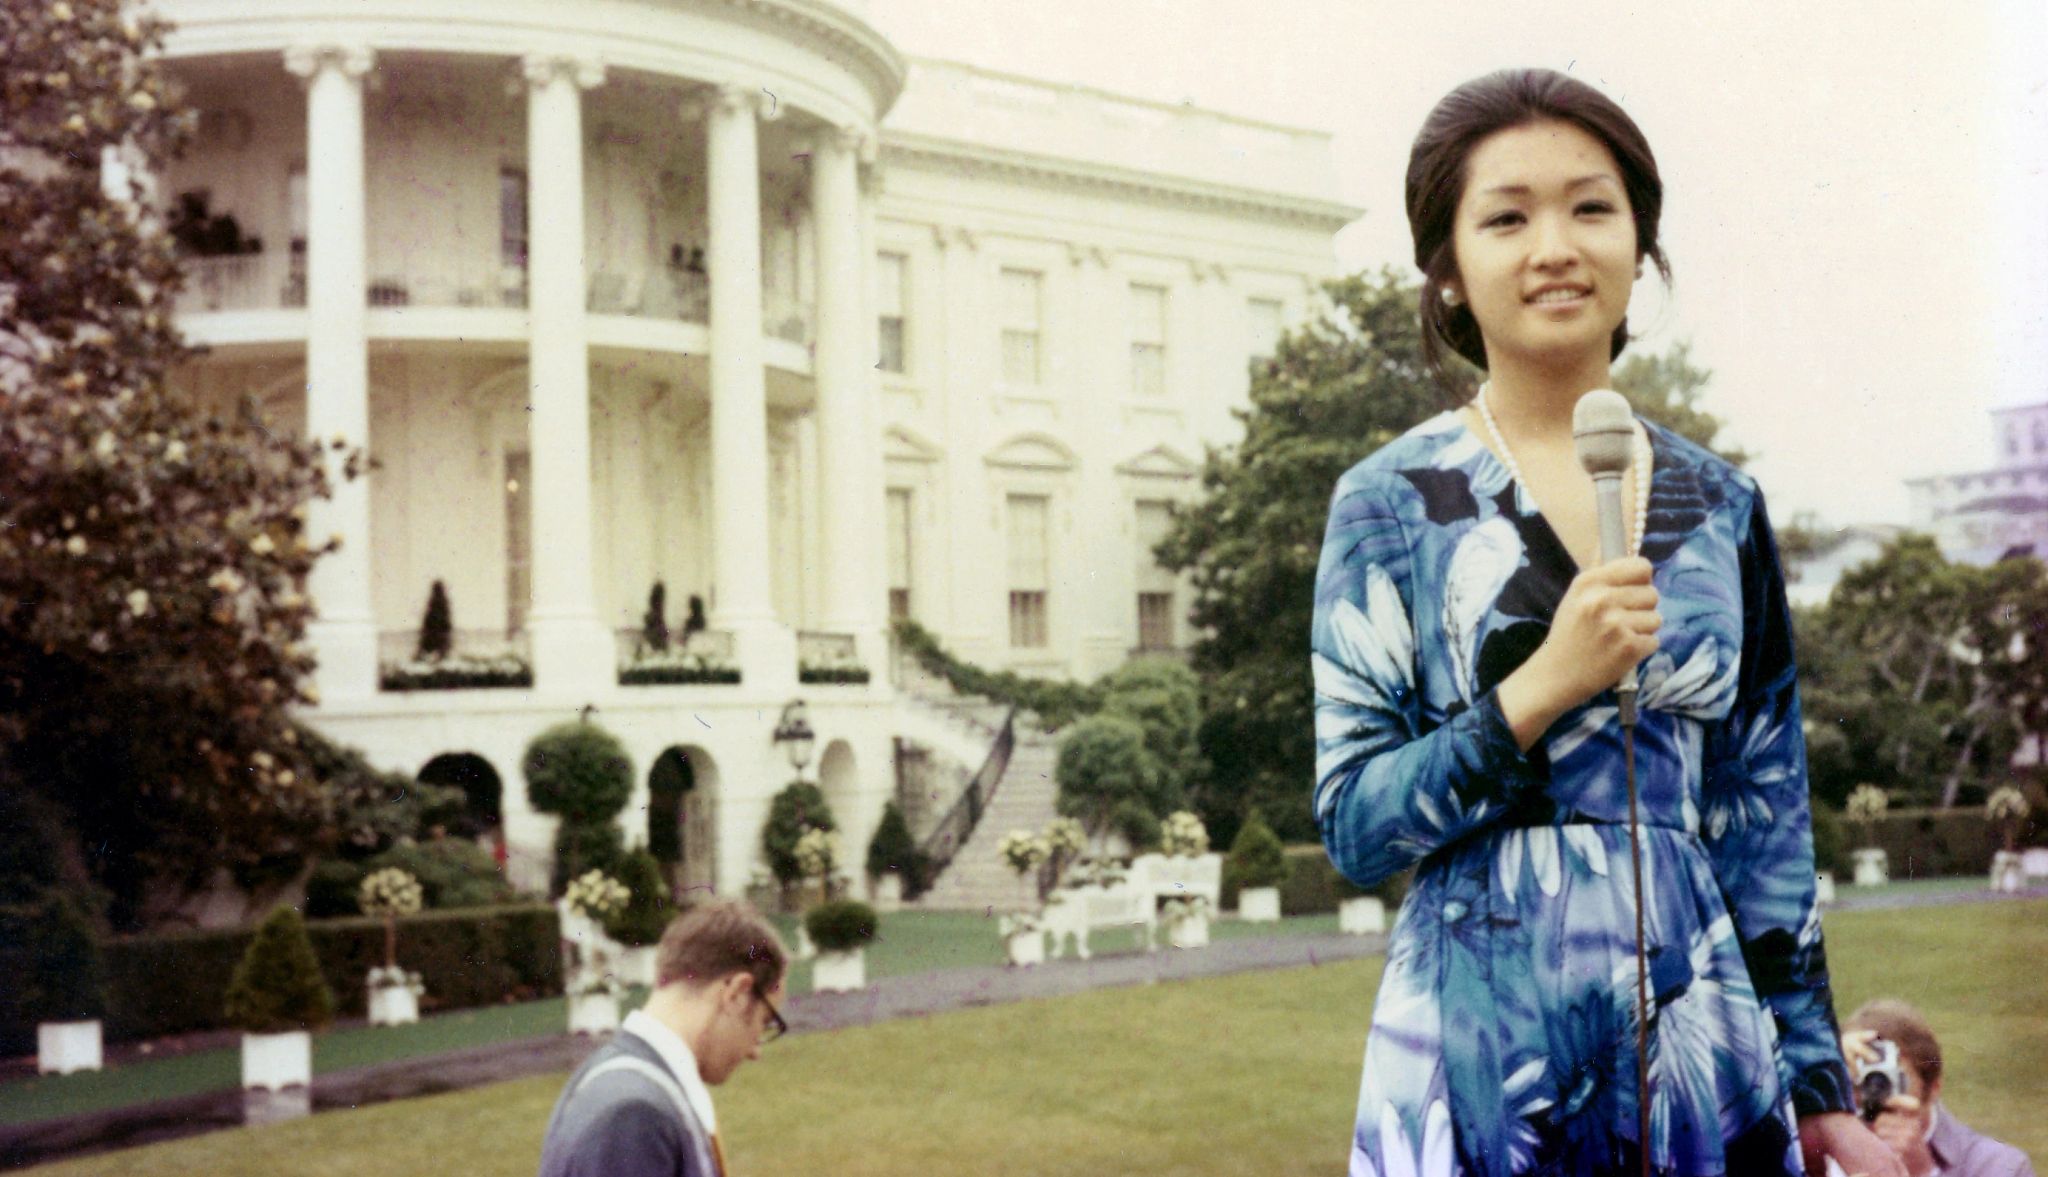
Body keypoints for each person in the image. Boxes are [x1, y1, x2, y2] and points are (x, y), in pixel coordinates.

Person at [1312, 68, 1901, 1177]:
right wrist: (1540, 685)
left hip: (1699, 1039)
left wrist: (1817, 1091)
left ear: (1640, 250)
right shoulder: (1388, 501)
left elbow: (1763, 816)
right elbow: (1353, 825)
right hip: (1476, 1051)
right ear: (1445, 272)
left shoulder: (1718, 504)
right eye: (1505, 215)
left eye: (1590, 207)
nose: (1553, 246)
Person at [538, 899, 789, 1177]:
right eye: (763, 1022)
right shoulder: (634, 1115)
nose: (756, 1050)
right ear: (737, 995)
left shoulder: (624, 1080)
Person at [1840, 1000, 2035, 1177]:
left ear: (1933, 1088)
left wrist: (1923, 1172)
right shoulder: (1819, 1147)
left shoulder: (2001, 1167)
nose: (1870, 1094)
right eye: (1857, 1081)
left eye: (1889, 1081)